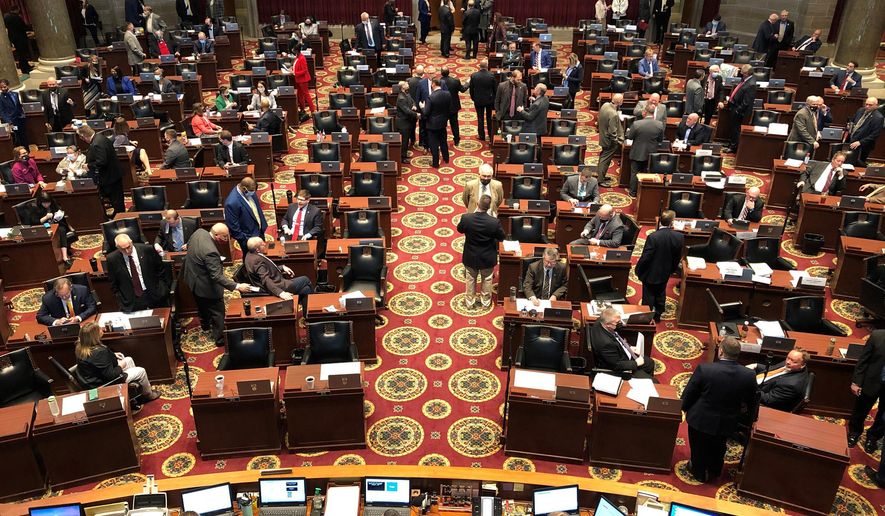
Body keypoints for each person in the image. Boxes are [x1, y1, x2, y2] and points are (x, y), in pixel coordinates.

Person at [681, 336, 757, 483]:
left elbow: (690, 393)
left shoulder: (705, 369)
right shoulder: (748, 375)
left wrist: (683, 408)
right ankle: (715, 470)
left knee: (698, 446)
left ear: (721, 351)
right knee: (719, 446)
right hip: (727, 421)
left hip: (700, 419)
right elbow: (751, 400)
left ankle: (698, 471)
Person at [182, 223, 252, 346]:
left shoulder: (199, 232)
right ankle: (219, 339)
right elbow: (216, 276)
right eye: (224, 237)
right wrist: (237, 286)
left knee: (201, 304)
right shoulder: (211, 252)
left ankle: (204, 325)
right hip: (205, 285)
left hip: (192, 278)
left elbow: (189, 245)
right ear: (216, 234)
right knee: (218, 312)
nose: (227, 239)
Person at [74, 322, 160, 400]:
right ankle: (148, 395)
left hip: (92, 380)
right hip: (104, 385)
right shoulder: (99, 352)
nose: (102, 329)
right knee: (141, 371)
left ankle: (133, 391)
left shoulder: (81, 347)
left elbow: (94, 361)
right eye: (99, 329)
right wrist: (121, 365)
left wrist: (113, 355)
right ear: (94, 336)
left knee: (129, 359)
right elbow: (111, 375)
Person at [456, 194, 505, 308]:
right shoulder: (494, 222)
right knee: (487, 280)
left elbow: (459, 229)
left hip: (470, 255)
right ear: (488, 207)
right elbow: (501, 237)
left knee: (470, 279)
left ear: (477, 204)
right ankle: (485, 303)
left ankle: (469, 303)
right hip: (487, 257)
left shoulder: (466, 218)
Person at [244, 236, 313, 313]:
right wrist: (280, 293)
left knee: (306, 289)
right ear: (257, 249)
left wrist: (281, 267)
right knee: (305, 279)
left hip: (275, 280)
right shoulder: (257, 261)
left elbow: (267, 268)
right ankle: (309, 312)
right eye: (262, 244)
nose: (265, 243)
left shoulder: (250, 255)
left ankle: (305, 312)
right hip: (276, 286)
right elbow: (266, 280)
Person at [635, 209, 683, 321]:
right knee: (661, 292)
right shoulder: (679, 237)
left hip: (650, 272)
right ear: (672, 222)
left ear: (660, 221)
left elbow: (646, 257)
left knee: (649, 294)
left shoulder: (653, 237)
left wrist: (638, 270)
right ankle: (658, 315)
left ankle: (646, 316)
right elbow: (677, 257)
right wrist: (672, 270)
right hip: (665, 271)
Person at [106, 234, 169, 312]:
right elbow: (113, 282)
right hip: (131, 299)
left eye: (128, 247)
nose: (127, 251)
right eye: (123, 249)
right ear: (117, 248)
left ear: (131, 242)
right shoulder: (112, 259)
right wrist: (121, 298)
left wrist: (162, 288)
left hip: (154, 293)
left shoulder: (147, 249)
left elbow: (160, 269)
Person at [590, 308, 655, 378]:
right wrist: (636, 363)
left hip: (619, 352)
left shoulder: (601, 321)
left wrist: (628, 347)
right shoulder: (606, 344)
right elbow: (616, 365)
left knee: (650, 363)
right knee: (647, 380)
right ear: (608, 324)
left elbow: (616, 338)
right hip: (617, 368)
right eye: (617, 322)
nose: (620, 323)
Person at [848, 329, 885, 451]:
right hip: (871, 381)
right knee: (860, 409)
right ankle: (854, 432)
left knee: (883, 416)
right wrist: (856, 382)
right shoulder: (877, 336)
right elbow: (863, 360)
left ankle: (873, 437)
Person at [21, 190, 74, 266]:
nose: (47, 205)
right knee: (51, 234)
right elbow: (34, 222)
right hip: (43, 226)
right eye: (44, 203)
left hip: (56, 224)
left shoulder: (53, 204)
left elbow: (59, 211)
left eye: (48, 202)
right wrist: (46, 217)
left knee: (62, 230)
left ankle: (65, 257)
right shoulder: (34, 208)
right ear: (40, 202)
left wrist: (58, 215)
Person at [625, 105, 664, 196]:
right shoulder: (659, 124)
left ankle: (633, 193)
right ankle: (644, 193)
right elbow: (660, 140)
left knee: (635, 173)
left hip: (637, 152)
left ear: (644, 113)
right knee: (647, 173)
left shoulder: (637, 124)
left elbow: (630, 137)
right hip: (651, 153)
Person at [719, 64, 757, 154]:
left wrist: (737, 110)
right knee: (732, 127)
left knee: (735, 129)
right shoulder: (745, 79)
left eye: (743, 73)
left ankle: (733, 147)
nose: (741, 73)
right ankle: (730, 143)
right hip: (734, 106)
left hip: (739, 111)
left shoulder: (751, 84)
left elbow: (746, 102)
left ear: (747, 73)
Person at [224, 176, 268, 254]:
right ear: (244, 189)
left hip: (259, 231)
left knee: (262, 256)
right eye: (251, 190)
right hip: (248, 239)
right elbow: (234, 228)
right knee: (250, 259)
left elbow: (256, 208)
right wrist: (245, 240)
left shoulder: (250, 190)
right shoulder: (231, 203)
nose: (253, 192)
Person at [423, 78, 452, 168]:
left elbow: (426, 112)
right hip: (443, 122)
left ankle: (435, 163)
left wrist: (422, 107)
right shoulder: (447, 94)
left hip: (432, 125)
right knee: (443, 141)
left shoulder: (431, 97)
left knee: (434, 144)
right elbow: (449, 108)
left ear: (434, 84)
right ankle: (446, 158)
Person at [596, 93, 623, 186]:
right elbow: (613, 132)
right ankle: (600, 180)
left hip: (602, 136)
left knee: (603, 157)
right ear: (619, 102)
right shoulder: (614, 114)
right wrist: (617, 142)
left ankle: (601, 175)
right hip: (609, 141)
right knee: (605, 159)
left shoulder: (605, 105)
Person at [848, 97, 884, 166]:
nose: (867, 106)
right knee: (849, 161)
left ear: (876, 106)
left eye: (870, 105)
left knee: (858, 164)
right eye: (866, 104)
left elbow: (875, 135)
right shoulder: (860, 110)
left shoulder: (878, 118)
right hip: (852, 141)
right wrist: (850, 126)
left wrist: (860, 142)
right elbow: (853, 120)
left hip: (863, 145)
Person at [440, 67, 468, 146]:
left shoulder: (438, 82)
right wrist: (468, 82)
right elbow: (463, 90)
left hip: (442, 107)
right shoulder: (455, 81)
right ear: (449, 72)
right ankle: (456, 140)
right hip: (453, 106)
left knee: (442, 125)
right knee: (454, 124)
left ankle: (443, 141)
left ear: (441, 73)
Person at [470, 60, 497, 141]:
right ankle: (490, 134)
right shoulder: (491, 75)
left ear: (479, 66)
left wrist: (473, 98)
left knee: (480, 118)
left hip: (478, 100)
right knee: (489, 118)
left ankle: (481, 135)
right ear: (487, 66)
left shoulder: (474, 75)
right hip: (489, 100)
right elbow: (495, 89)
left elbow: (471, 89)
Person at [291, 42, 315, 121]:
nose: (292, 51)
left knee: (306, 95)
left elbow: (305, 70)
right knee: (299, 95)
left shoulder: (302, 58)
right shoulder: (297, 57)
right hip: (298, 79)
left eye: (294, 50)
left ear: (297, 51)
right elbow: (295, 66)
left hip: (303, 80)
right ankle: (302, 109)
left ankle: (312, 111)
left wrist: (295, 73)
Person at [395, 81, 418, 162]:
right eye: (406, 84)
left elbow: (412, 101)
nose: (408, 84)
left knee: (406, 140)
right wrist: (416, 115)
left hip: (408, 121)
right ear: (402, 87)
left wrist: (414, 105)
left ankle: (404, 154)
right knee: (404, 141)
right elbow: (407, 111)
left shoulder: (407, 94)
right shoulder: (401, 98)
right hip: (403, 123)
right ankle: (402, 158)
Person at [0, 79, 28, 147]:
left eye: (4, 86)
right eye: (1, 87)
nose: (3, 89)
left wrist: (23, 114)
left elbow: (19, 106)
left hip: (20, 119)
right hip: (12, 121)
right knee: (17, 137)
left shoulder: (15, 94)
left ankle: (27, 151)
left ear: (8, 85)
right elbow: (2, 112)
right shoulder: (1, 98)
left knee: (24, 136)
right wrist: (9, 122)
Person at [4, 6, 32, 74]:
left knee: (20, 53)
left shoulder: (6, 17)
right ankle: (25, 68)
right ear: (16, 10)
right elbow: (22, 27)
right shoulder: (16, 17)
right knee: (23, 53)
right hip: (20, 37)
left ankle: (26, 66)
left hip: (13, 38)